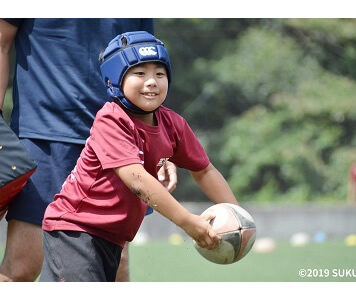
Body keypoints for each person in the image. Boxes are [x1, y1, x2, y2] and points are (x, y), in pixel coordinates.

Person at [39, 31, 239, 282]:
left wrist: (237, 217)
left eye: (160, 73)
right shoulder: (111, 119)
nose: (152, 81)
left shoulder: (173, 123)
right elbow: (137, 180)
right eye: (140, 73)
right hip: (74, 229)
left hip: (110, 238)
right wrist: (188, 222)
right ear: (114, 79)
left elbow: (204, 170)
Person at [0, 18, 178, 282]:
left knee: (115, 269)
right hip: (45, 135)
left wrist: (160, 145)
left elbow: (147, 67)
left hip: (117, 139)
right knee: (22, 266)